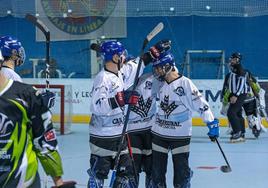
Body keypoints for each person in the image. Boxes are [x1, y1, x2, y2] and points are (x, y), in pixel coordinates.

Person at [0, 42, 75, 188]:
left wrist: (58, 180)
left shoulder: (26, 94)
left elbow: (44, 139)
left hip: (22, 181)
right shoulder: (26, 92)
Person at [149, 51, 219, 188]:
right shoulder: (158, 82)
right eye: (155, 67)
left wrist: (211, 123)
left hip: (180, 135)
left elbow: (202, 105)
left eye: (159, 67)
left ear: (168, 66)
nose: (156, 71)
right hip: (159, 134)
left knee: (181, 178)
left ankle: (186, 175)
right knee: (157, 175)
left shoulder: (185, 84)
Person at [88, 40, 141, 188]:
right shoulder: (103, 78)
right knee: (99, 175)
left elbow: (136, 67)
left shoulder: (119, 73)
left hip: (119, 134)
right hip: (102, 136)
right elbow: (96, 106)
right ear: (116, 58)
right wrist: (121, 99)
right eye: (122, 55)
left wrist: (151, 53)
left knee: (126, 174)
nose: (124, 57)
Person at [221, 52, 256, 142]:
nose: (231, 60)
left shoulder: (239, 69)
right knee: (238, 113)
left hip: (239, 94)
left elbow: (241, 83)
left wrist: (236, 95)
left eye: (233, 59)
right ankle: (242, 132)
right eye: (231, 58)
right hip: (235, 93)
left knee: (231, 113)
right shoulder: (234, 67)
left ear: (237, 60)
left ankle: (237, 133)